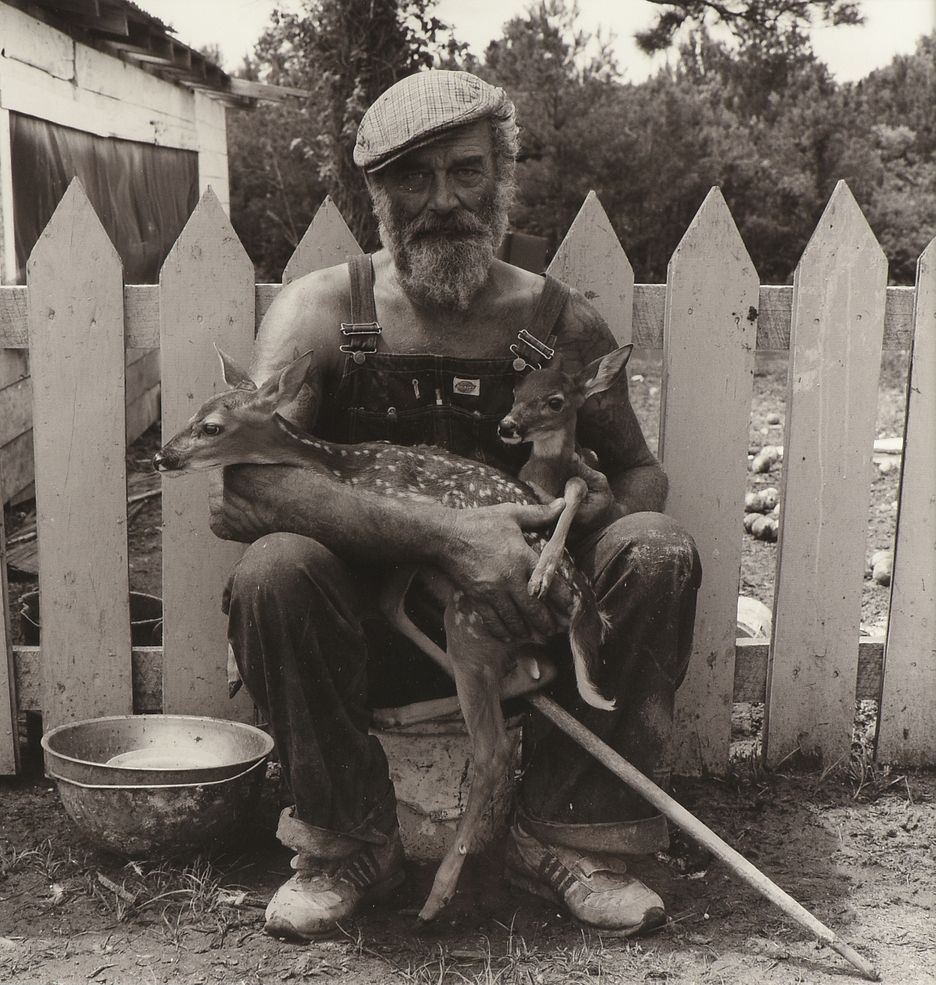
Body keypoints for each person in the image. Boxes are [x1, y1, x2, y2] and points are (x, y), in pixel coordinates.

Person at [210, 70, 701, 941]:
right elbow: (250, 481)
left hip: (525, 650)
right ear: (376, 194)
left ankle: (569, 836)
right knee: (273, 568)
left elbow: (641, 477)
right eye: (412, 177)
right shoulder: (324, 312)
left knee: (656, 546)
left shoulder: (552, 324)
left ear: (502, 175)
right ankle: (348, 843)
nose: (442, 201)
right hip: (373, 644)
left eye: (465, 171)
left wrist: (573, 522)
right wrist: (451, 535)